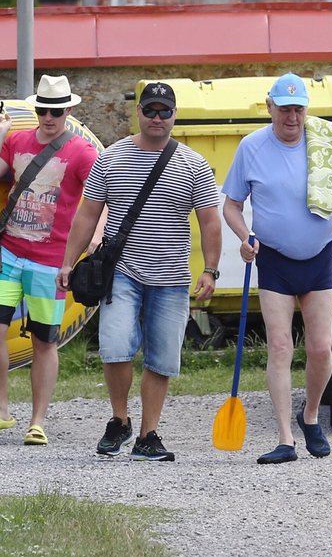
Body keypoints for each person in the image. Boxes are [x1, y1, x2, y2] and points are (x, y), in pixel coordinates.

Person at [58, 81, 222, 462]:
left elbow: (210, 222)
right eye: (150, 110)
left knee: (161, 359)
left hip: (172, 276)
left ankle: (149, 434)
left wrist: (210, 270)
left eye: (165, 111)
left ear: (175, 115)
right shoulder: (112, 158)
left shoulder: (193, 164)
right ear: (139, 113)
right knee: (115, 348)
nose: (157, 118)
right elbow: (87, 215)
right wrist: (68, 260)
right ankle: (120, 420)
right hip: (123, 272)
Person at [221, 73, 332, 465]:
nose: (292, 117)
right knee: (281, 347)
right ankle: (285, 439)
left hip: (319, 258)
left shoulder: (324, 143)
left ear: (306, 110)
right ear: (270, 107)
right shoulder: (251, 147)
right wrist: (245, 236)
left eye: (298, 109)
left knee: (320, 350)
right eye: (284, 109)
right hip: (275, 260)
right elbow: (231, 204)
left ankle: (310, 415)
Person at [0, 74, 100, 446]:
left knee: (44, 341)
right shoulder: (19, 141)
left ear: (69, 111)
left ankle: (38, 420)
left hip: (51, 259)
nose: (48, 117)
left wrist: (93, 237)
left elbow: (98, 197)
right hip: (9, 252)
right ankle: (1, 410)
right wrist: (0, 134)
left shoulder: (82, 152)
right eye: (43, 109)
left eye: (56, 110)